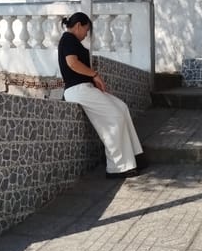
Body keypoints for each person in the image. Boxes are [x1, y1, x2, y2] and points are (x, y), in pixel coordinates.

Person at [58, 12, 145, 178]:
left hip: (85, 88)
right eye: (86, 30)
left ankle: (134, 157)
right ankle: (116, 167)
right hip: (77, 90)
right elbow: (72, 63)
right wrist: (95, 75)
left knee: (122, 108)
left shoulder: (72, 40)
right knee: (115, 117)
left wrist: (93, 80)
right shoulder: (68, 39)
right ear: (78, 26)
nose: (86, 34)